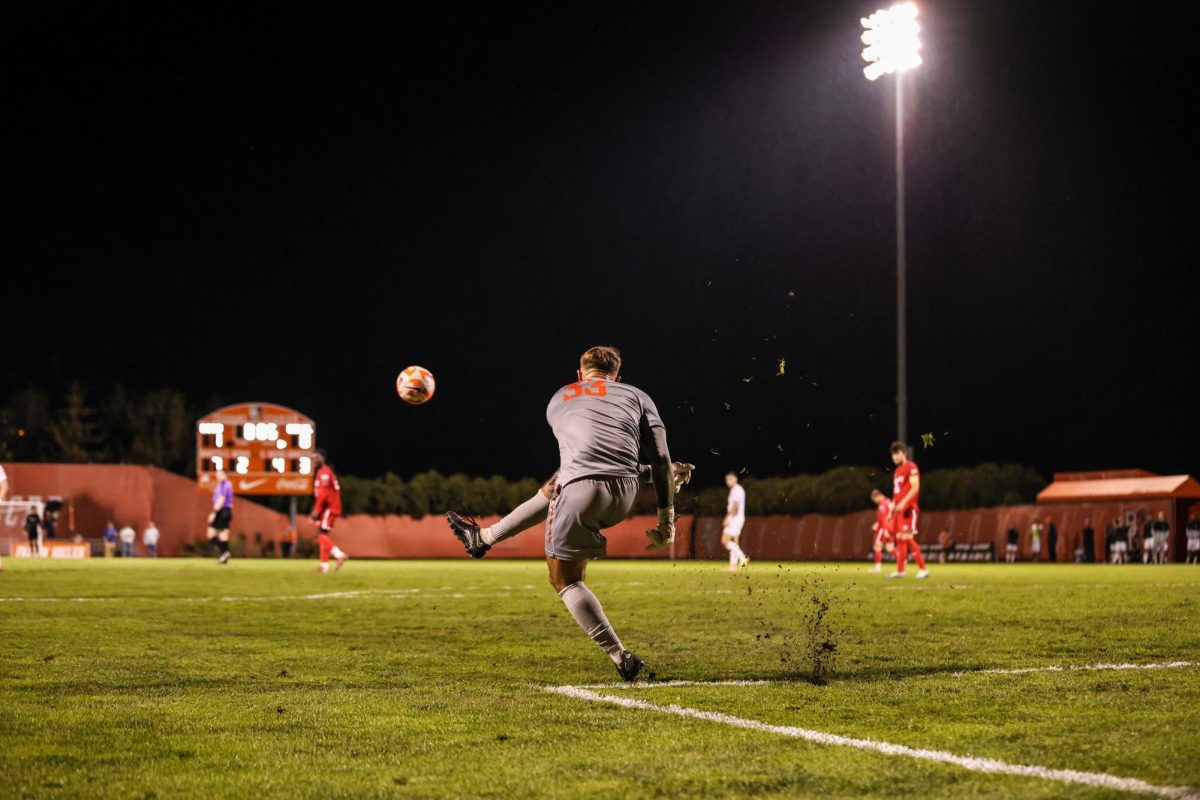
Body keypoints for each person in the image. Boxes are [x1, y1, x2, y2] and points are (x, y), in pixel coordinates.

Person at [444, 346, 676, 681]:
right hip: (627, 493)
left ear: (580, 375)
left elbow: (586, 457)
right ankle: (482, 538)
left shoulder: (560, 398)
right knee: (556, 482)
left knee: (564, 579)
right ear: (618, 378)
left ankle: (619, 654)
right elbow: (658, 460)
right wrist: (665, 515)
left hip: (581, 494)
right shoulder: (637, 395)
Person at [886, 441, 928, 579]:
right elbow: (896, 493)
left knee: (907, 537)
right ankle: (900, 571)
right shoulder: (897, 471)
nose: (896, 457)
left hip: (909, 509)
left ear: (904, 453)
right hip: (898, 511)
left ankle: (923, 569)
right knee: (900, 539)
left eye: (898, 453)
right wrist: (891, 510)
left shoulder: (911, 467)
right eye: (893, 455)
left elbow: (915, 487)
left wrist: (903, 503)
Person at [311, 449, 348, 573]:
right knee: (323, 536)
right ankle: (324, 566)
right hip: (327, 507)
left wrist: (316, 509)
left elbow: (324, 494)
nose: (314, 461)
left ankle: (339, 555)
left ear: (323, 458)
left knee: (319, 534)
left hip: (329, 507)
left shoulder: (324, 473)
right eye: (313, 458)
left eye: (316, 458)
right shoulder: (321, 472)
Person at [722, 472, 750, 572]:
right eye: (727, 479)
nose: (728, 481)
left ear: (735, 479)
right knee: (734, 543)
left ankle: (743, 558)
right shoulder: (735, 490)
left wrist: (728, 518)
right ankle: (733, 565)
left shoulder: (737, 490)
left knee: (724, 540)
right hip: (737, 518)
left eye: (730, 479)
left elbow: (735, 506)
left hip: (735, 518)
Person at [207, 470, 234, 564]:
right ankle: (224, 554)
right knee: (215, 534)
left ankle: (224, 553)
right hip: (222, 511)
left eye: (220, 474)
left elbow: (221, 499)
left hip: (223, 511)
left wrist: (214, 513)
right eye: (217, 474)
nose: (218, 476)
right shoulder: (219, 485)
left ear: (225, 475)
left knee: (221, 534)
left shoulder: (225, 484)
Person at [869, 488, 894, 573]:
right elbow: (889, 516)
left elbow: (883, 519)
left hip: (883, 528)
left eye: (874, 499)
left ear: (877, 497)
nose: (875, 501)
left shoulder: (883, 505)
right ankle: (902, 559)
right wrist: (877, 522)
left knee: (877, 545)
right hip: (890, 527)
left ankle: (877, 567)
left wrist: (884, 529)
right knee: (890, 548)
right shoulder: (889, 502)